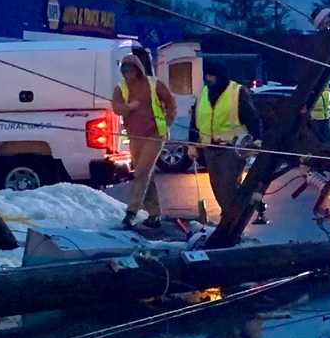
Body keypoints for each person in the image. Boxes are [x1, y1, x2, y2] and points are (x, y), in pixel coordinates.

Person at [188, 62, 262, 221]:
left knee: (227, 185)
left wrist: (257, 139)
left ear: (221, 76)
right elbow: (195, 120)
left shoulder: (237, 92)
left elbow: (252, 118)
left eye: (212, 76)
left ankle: (231, 219)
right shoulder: (203, 93)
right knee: (216, 186)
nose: (208, 79)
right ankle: (231, 214)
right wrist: (192, 144)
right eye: (207, 75)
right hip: (209, 148)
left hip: (232, 148)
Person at [112, 53, 176, 229]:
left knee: (141, 172)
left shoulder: (154, 84)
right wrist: (129, 107)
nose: (127, 74)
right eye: (124, 71)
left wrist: (168, 121)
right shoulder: (121, 88)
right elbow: (116, 108)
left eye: (130, 70)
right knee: (147, 173)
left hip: (155, 135)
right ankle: (154, 214)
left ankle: (131, 211)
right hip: (135, 136)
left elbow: (170, 102)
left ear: (138, 69)